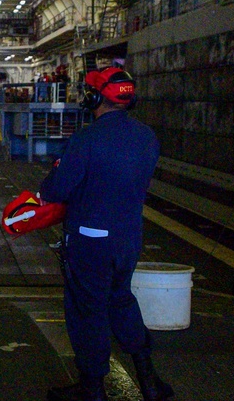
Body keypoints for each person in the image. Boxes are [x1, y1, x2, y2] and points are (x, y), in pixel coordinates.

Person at [39, 67, 170, 401]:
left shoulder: (87, 139)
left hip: (89, 240)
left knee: (88, 309)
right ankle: (149, 381)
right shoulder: (147, 137)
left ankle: (92, 388)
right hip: (128, 238)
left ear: (93, 97)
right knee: (121, 299)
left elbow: (56, 190)